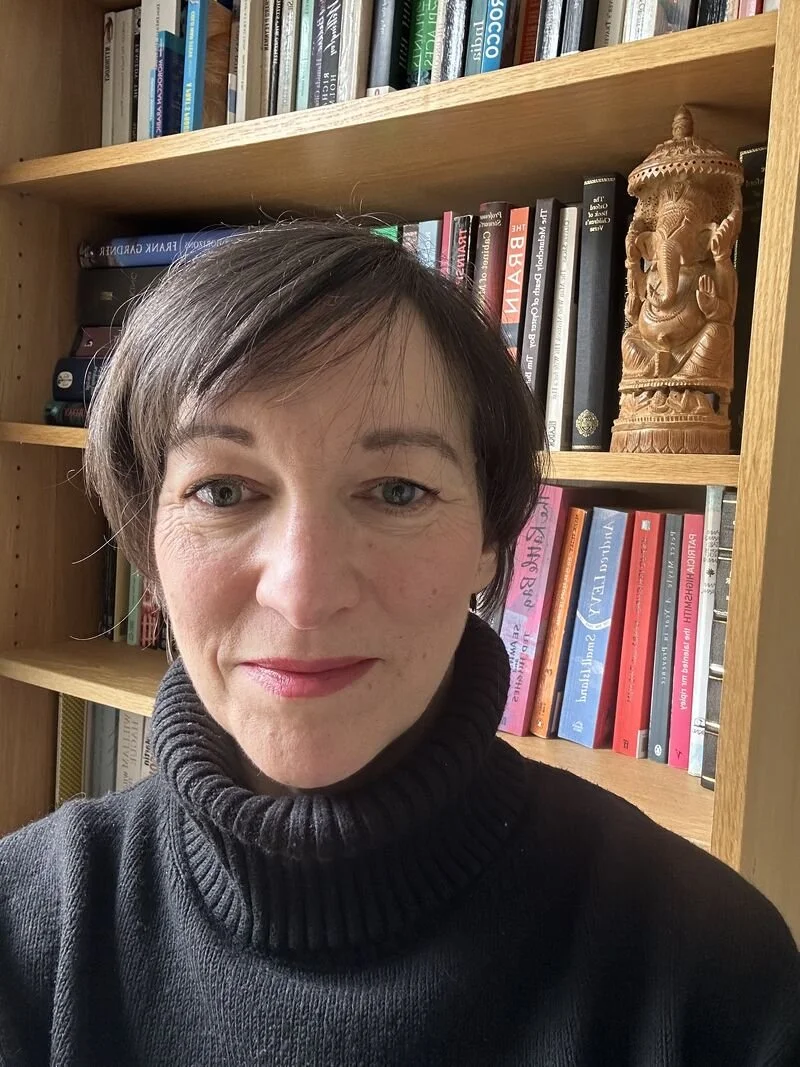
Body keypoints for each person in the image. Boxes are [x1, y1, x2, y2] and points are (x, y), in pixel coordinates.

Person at [0, 220, 797, 1066]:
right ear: (145, 541)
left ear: (493, 536)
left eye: (396, 490)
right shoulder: (26, 932)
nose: (303, 595)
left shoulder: (714, 971)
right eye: (224, 489)